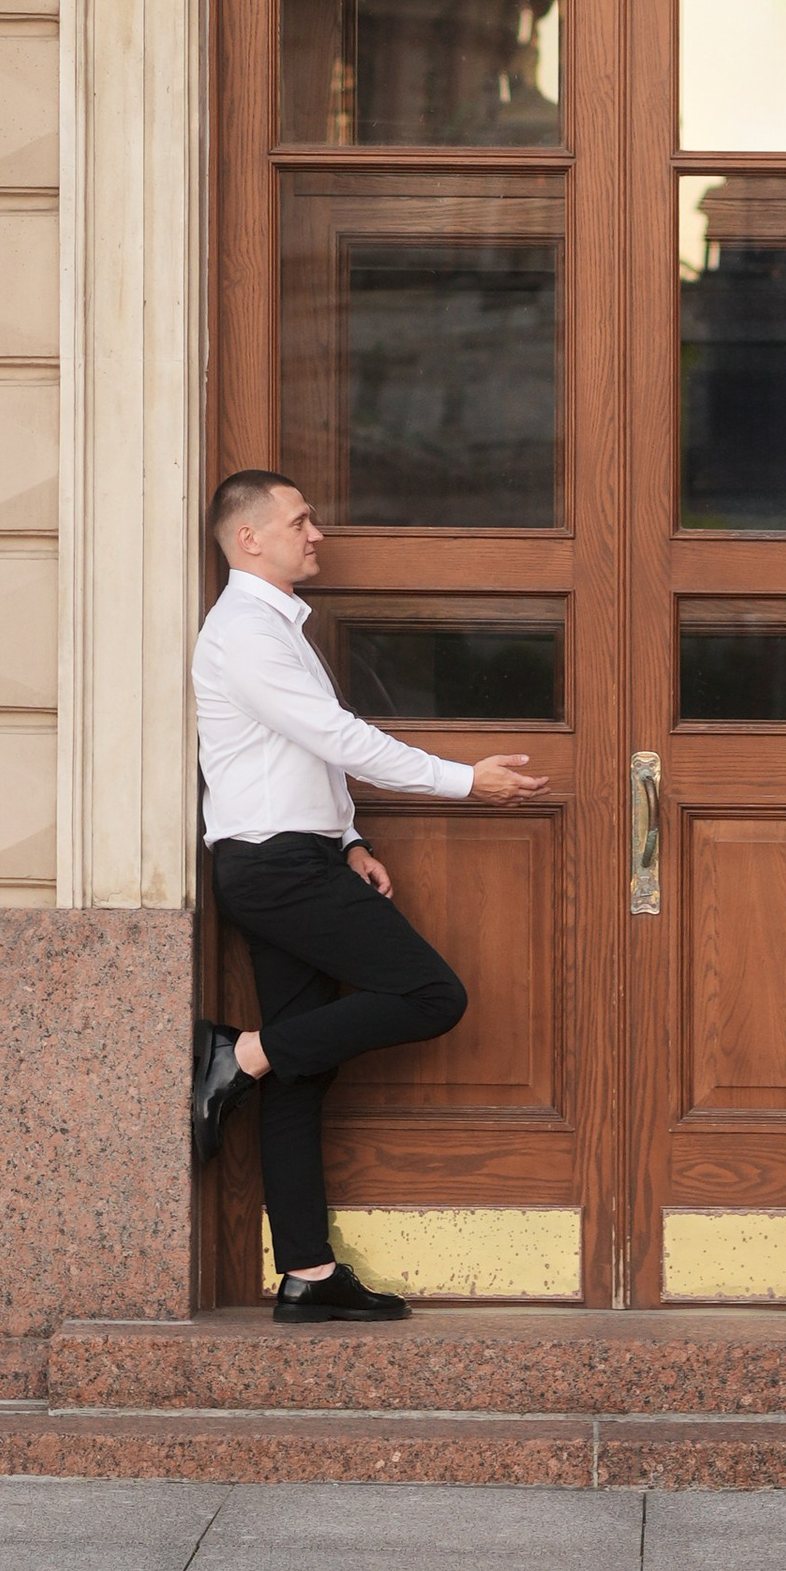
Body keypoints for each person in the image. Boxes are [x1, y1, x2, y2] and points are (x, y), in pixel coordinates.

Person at [190, 467, 550, 1320]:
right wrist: (465, 781)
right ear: (249, 538)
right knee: (431, 995)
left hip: (296, 859)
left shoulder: (276, 626)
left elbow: (309, 751)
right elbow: (337, 736)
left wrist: (348, 839)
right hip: (274, 868)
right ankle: (238, 1056)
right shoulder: (245, 631)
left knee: (302, 1071)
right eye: (299, 521)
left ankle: (307, 1275)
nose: (316, 533)